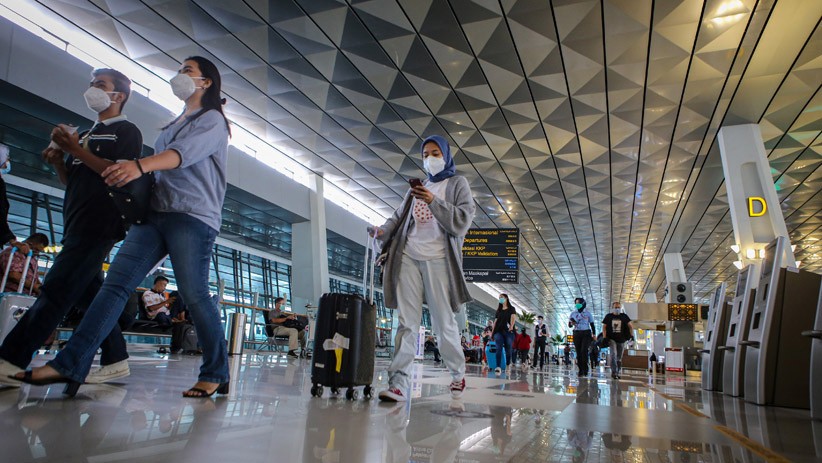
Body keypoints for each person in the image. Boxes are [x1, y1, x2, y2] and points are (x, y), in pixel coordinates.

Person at [15, 56, 231, 399]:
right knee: (114, 287)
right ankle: (70, 363)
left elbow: (181, 155)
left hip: (191, 216)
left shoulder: (213, 121)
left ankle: (216, 371)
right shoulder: (176, 121)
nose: (179, 75)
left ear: (206, 82)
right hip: (155, 214)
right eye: (178, 70)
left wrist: (138, 166)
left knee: (195, 294)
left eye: (187, 71)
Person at [0, 68, 143, 387]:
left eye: (101, 86)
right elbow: (74, 181)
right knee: (90, 296)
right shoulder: (90, 134)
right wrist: (58, 162)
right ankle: (116, 357)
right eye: (92, 84)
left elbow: (119, 173)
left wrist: (76, 150)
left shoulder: (125, 131)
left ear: (118, 96)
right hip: (77, 221)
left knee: (56, 290)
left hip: (99, 223)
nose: (93, 89)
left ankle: (10, 360)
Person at [371, 135, 475, 402]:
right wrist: (382, 231)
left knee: (443, 323)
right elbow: (398, 217)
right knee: (407, 322)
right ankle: (399, 384)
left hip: (439, 259)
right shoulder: (415, 189)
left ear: (447, 155)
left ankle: (457, 374)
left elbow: (462, 220)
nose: (430, 158)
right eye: (425, 154)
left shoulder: (457, 184)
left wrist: (432, 200)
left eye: (435, 152)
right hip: (408, 255)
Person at [602, 301, 634, 379]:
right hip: (611, 339)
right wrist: (604, 337)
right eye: (616, 307)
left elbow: (630, 326)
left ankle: (617, 371)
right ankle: (614, 372)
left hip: (622, 339)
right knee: (613, 354)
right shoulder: (608, 316)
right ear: (612, 308)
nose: (617, 309)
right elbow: (604, 327)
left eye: (618, 307)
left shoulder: (624, 316)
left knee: (619, 357)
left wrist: (631, 336)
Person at [569, 297, 596, 377]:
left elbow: (592, 324)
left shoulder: (588, 313)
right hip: (577, 333)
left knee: (583, 351)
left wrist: (594, 334)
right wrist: (572, 323)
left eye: (579, 303)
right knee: (578, 352)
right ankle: (580, 370)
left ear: (583, 304)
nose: (577, 305)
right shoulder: (573, 313)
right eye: (576, 303)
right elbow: (570, 325)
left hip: (586, 333)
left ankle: (585, 369)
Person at [491, 294, 517, 374]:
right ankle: (498, 366)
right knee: (498, 348)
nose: (500, 299)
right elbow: (495, 322)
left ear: (506, 298)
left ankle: (508, 364)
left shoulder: (511, 309)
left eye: (502, 297)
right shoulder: (499, 310)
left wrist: (511, 326)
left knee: (508, 348)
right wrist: (492, 332)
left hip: (509, 331)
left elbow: (513, 317)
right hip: (498, 331)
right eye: (499, 298)